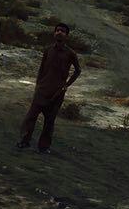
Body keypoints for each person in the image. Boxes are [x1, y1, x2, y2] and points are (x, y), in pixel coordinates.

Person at [17, 22, 81, 154]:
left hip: (57, 93)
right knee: (30, 117)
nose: (59, 32)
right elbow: (41, 68)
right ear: (54, 33)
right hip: (42, 90)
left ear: (67, 35)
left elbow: (78, 70)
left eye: (62, 31)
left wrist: (66, 85)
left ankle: (44, 147)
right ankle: (24, 141)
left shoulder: (70, 53)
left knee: (49, 121)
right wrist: (38, 84)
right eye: (57, 30)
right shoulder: (48, 50)